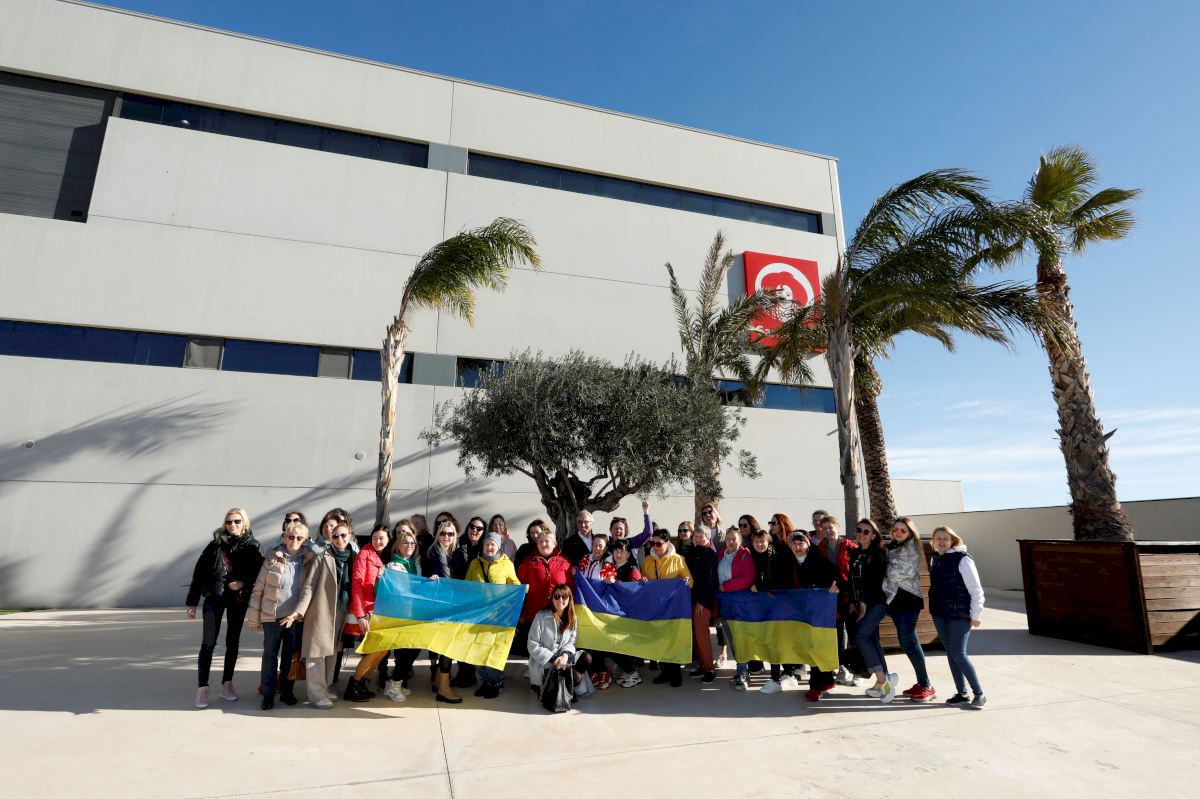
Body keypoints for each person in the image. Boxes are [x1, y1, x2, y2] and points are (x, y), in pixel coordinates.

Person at [186, 507, 264, 708]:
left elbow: (259, 576)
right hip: (214, 597)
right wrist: (192, 602)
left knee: (232, 642)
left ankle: (227, 684)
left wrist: (243, 583)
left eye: (237, 521)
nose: (232, 525)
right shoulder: (215, 544)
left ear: (244, 523)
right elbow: (199, 573)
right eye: (229, 522)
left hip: (238, 599)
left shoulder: (253, 546)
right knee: (208, 643)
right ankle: (202, 688)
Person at [247, 522, 312, 710]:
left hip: (295, 618)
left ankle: (286, 691)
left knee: (290, 657)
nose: (294, 540)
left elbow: (309, 590)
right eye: (291, 537)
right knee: (270, 655)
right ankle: (268, 694)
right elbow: (258, 589)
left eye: (299, 538)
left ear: (305, 540)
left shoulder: (309, 559)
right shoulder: (272, 557)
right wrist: (254, 618)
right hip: (272, 617)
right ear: (284, 537)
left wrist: (297, 614)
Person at [296, 520, 355, 708]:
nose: (339, 539)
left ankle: (326, 687)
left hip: (341, 610)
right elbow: (309, 586)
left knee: (332, 651)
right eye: (335, 536)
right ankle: (317, 695)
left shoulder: (353, 557)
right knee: (316, 653)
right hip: (320, 609)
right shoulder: (323, 556)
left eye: (343, 535)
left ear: (350, 536)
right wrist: (300, 610)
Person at [929, 526, 986, 710]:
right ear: (933, 540)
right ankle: (962, 694)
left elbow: (976, 590)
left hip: (959, 615)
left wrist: (976, 614)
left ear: (953, 540)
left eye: (945, 538)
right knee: (951, 653)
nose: (941, 541)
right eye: (938, 538)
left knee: (958, 654)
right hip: (940, 614)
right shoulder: (935, 558)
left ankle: (979, 694)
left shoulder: (962, 559)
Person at [884, 516, 936, 702]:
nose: (898, 532)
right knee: (905, 641)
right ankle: (921, 682)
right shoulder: (893, 546)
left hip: (907, 599)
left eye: (903, 530)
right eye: (895, 529)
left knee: (910, 642)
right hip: (895, 599)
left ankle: (926, 685)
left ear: (910, 533)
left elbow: (895, 574)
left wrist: (883, 568)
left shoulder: (911, 547)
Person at [465, 532, 521, 698]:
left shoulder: (506, 564)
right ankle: (486, 680)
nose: (489, 547)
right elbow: (467, 586)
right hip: (479, 616)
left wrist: (521, 589)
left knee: (493, 651)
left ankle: (496, 683)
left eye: (493, 544)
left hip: (499, 617)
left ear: (498, 547)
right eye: (487, 544)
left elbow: (515, 584)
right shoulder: (475, 563)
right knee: (476, 651)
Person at [747, 528, 801, 693]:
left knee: (775, 642)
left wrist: (761, 586)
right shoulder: (751, 557)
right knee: (771, 642)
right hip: (763, 607)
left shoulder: (777, 557)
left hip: (779, 607)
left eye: (762, 541)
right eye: (756, 541)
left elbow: (781, 581)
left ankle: (776, 678)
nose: (759, 544)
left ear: (768, 542)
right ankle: (788, 674)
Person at [342, 524, 391, 702]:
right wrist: (360, 615)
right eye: (375, 537)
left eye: (382, 538)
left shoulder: (379, 556)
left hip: (376, 610)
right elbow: (357, 585)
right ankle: (354, 685)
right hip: (366, 611)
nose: (378, 541)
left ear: (388, 540)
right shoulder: (365, 554)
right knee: (376, 649)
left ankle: (361, 682)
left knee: (383, 649)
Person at [790, 531, 840, 701]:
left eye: (801, 543)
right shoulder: (787, 561)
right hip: (799, 612)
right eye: (794, 544)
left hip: (819, 612)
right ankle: (827, 680)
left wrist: (836, 585)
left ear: (808, 544)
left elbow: (837, 576)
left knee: (815, 647)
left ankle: (815, 686)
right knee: (807, 646)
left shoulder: (818, 560)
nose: (797, 547)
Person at [850, 519, 897, 704]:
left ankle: (884, 682)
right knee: (872, 639)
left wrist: (862, 602)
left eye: (866, 531)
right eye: (859, 530)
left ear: (874, 535)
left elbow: (874, 582)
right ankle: (883, 678)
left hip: (877, 603)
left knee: (861, 636)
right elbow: (854, 580)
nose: (861, 534)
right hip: (862, 603)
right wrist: (854, 601)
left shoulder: (878, 554)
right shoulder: (855, 553)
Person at [816, 515, 862, 688]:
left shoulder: (851, 547)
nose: (828, 531)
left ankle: (859, 671)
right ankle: (842, 668)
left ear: (838, 527)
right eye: (825, 528)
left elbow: (855, 574)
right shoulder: (819, 549)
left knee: (854, 633)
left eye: (831, 527)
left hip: (849, 597)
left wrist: (855, 597)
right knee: (837, 634)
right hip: (831, 599)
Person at [642, 528, 692, 687]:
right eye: (653, 543)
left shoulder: (678, 559)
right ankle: (665, 671)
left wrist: (685, 582)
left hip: (673, 608)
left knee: (673, 639)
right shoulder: (647, 561)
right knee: (660, 639)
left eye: (659, 543)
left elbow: (690, 581)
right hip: (655, 608)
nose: (655, 546)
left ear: (667, 543)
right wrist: (642, 581)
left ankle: (676, 673)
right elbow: (643, 582)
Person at [379, 522, 423, 702]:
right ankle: (395, 685)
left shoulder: (416, 563)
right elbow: (400, 591)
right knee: (404, 652)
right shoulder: (393, 566)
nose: (409, 546)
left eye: (412, 543)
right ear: (398, 546)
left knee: (414, 649)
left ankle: (394, 682)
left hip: (415, 614)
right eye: (405, 543)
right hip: (400, 616)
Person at [527, 583, 594, 698]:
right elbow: (532, 645)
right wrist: (554, 659)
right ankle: (561, 684)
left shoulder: (573, 618)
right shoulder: (541, 616)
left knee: (587, 657)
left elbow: (571, 642)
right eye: (557, 596)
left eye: (564, 597)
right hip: (545, 662)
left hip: (563, 659)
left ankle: (564, 683)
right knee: (576, 678)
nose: (560, 600)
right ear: (552, 598)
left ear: (569, 599)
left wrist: (565, 655)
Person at [516, 523, 573, 657]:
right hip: (534, 612)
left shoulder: (565, 562)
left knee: (556, 645)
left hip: (558, 611)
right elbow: (519, 585)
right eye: (541, 541)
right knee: (535, 646)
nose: (544, 544)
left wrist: (570, 608)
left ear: (554, 544)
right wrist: (520, 609)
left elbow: (570, 588)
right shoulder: (529, 562)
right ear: (537, 544)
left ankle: (556, 665)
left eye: (547, 541)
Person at [422, 520, 463, 703]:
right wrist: (430, 578)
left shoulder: (457, 553)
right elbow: (425, 574)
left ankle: (439, 680)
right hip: (440, 604)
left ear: (455, 536)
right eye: (443, 533)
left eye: (450, 533)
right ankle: (444, 687)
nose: (446, 536)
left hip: (452, 604)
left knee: (447, 643)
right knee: (447, 643)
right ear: (437, 534)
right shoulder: (433, 552)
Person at [717, 526, 755, 690]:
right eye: (728, 539)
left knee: (740, 638)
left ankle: (743, 672)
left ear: (740, 540)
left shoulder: (745, 555)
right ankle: (741, 669)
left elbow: (748, 578)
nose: (731, 542)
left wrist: (726, 586)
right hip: (725, 602)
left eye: (734, 539)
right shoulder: (721, 554)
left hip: (740, 602)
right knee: (732, 638)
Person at [608, 539, 645, 687]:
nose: (619, 554)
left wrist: (619, 585)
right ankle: (626, 671)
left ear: (628, 554)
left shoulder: (632, 570)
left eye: (622, 551)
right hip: (612, 614)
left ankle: (632, 673)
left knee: (618, 645)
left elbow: (635, 592)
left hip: (626, 616)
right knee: (613, 645)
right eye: (616, 551)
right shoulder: (608, 568)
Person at [684, 525, 719, 684]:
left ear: (707, 538)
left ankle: (710, 669)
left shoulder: (710, 554)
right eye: (695, 536)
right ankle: (702, 665)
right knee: (695, 635)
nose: (698, 539)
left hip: (702, 602)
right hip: (691, 600)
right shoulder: (692, 552)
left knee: (702, 635)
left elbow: (711, 581)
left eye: (701, 536)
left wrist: (702, 602)